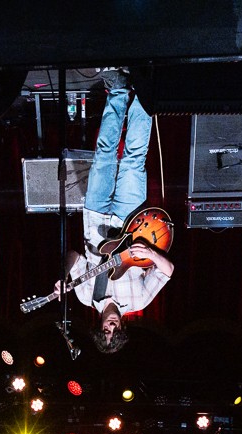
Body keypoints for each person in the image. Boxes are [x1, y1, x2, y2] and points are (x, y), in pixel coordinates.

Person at [68, 68, 174, 353]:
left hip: (95, 217)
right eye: (115, 332)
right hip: (130, 220)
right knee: (134, 158)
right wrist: (151, 253)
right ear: (123, 328)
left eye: (106, 331)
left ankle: (118, 89)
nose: (111, 327)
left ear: (99, 326)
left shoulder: (86, 295)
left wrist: (63, 278)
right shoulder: (139, 301)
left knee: (104, 153)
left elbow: (73, 256)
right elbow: (168, 271)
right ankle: (143, 92)